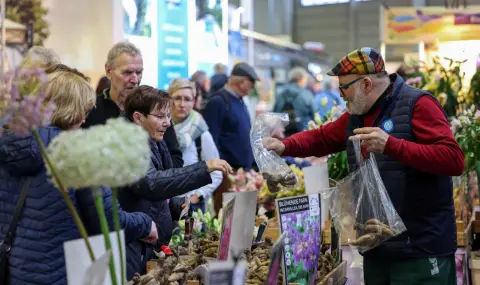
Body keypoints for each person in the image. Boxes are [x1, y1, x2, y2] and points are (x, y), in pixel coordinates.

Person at [264, 47, 464, 285]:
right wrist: (284, 146)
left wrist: (392, 145)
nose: (341, 95)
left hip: (420, 250)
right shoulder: (357, 115)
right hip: (376, 248)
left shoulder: (418, 105)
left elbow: (453, 159)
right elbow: (323, 138)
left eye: (344, 87)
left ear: (366, 84)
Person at [0, 67, 157, 285]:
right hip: (60, 274)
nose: (84, 120)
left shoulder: (8, 146)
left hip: (13, 272)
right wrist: (145, 223)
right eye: (83, 111)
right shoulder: (76, 152)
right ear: (71, 109)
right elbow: (108, 220)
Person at [121, 85, 232, 278]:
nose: (167, 123)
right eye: (160, 117)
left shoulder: (155, 141)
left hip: (149, 244)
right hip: (134, 247)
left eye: (167, 116)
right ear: (138, 118)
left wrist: (174, 204)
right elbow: (151, 183)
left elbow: (154, 193)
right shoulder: (130, 145)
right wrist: (203, 168)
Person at [82, 41, 184, 167]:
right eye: (127, 73)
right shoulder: (90, 108)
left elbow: (176, 160)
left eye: (139, 72)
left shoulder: (155, 108)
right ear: (109, 71)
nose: (135, 79)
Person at [168, 78, 223, 213]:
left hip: (189, 208)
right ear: (168, 100)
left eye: (187, 99)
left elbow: (216, 172)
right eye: (177, 98)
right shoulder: (160, 130)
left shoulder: (201, 134)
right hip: (163, 207)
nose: (182, 104)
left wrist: (196, 196)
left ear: (194, 102)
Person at [204, 62, 259, 171]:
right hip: (230, 171)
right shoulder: (219, 101)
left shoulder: (239, 100)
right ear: (242, 82)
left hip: (243, 170)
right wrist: (223, 169)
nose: (252, 88)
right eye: (251, 84)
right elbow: (211, 140)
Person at [273, 67, 316, 137]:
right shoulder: (306, 94)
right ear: (300, 79)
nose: (306, 82)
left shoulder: (280, 92)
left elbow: (274, 113)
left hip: (284, 134)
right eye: (305, 79)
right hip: (303, 134)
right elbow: (315, 114)